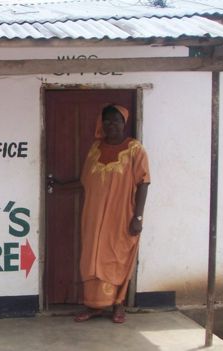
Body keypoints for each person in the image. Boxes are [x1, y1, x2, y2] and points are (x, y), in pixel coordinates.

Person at [73, 104, 150, 324]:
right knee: (92, 257)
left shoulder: (135, 149)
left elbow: (144, 183)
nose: (111, 125)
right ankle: (93, 306)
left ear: (124, 123)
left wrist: (138, 217)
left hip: (121, 216)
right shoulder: (95, 148)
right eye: (107, 121)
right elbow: (84, 181)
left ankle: (118, 305)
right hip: (94, 216)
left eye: (116, 120)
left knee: (116, 257)